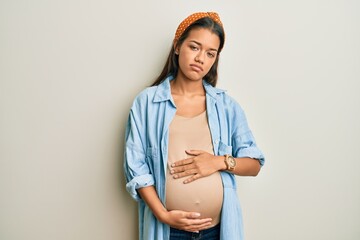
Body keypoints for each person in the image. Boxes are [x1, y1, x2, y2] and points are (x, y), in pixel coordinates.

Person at [124, 12, 265, 240]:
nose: (201, 58)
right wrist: (163, 215)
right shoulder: (147, 103)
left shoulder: (226, 106)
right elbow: (136, 167)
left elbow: (254, 164)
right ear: (178, 46)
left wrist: (218, 162)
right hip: (168, 231)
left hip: (217, 231)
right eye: (194, 47)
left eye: (210, 53)